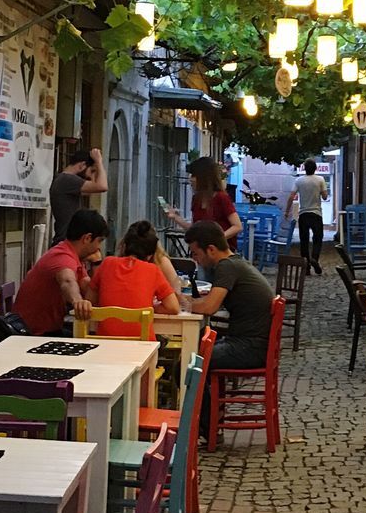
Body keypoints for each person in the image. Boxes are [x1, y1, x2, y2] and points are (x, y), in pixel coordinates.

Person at [184, 220, 274, 371]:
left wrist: (183, 304)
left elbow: (210, 307)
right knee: (195, 351)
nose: (195, 259)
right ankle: (206, 394)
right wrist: (192, 301)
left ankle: (200, 395)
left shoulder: (227, 266)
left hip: (249, 348)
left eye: (196, 253)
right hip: (253, 344)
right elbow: (213, 302)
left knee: (189, 361)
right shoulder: (236, 262)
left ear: (211, 249)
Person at [12, 208, 108, 335]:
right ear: (87, 238)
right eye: (99, 241)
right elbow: (67, 281)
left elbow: (87, 287)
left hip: (47, 329)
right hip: (32, 334)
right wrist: (78, 302)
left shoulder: (73, 256)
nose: (99, 247)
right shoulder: (62, 257)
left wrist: (96, 263)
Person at [90, 220, 182, 325]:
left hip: (106, 339)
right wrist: (150, 308)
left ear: (124, 246)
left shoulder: (107, 263)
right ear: (150, 255)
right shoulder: (153, 270)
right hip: (142, 340)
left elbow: (90, 300)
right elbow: (174, 307)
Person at [165, 157, 243, 250]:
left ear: (203, 177)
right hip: (202, 254)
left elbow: (237, 226)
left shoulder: (221, 198)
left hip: (221, 253)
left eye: (193, 175)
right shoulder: (196, 199)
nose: (191, 179)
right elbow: (195, 229)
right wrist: (175, 217)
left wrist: (217, 240)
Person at [49, 148, 107, 244]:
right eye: (92, 171)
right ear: (82, 165)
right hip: (66, 240)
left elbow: (92, 189)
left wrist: (95, 168)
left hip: (65, 238)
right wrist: (99, 162)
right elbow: (102, 186)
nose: (91, 176)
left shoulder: (63, 180)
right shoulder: (67, 179)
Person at [285, 159, 329, 275]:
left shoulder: (298, 180)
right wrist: (321, 192)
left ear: (304, 168)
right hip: (316, 214)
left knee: (304, 241)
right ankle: (314, 258)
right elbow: (325, 197)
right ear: (315, 168)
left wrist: (286, 212)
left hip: (303, 214)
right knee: (318, 238)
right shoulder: (320, 179)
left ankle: (306, 266)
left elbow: (291, 196)